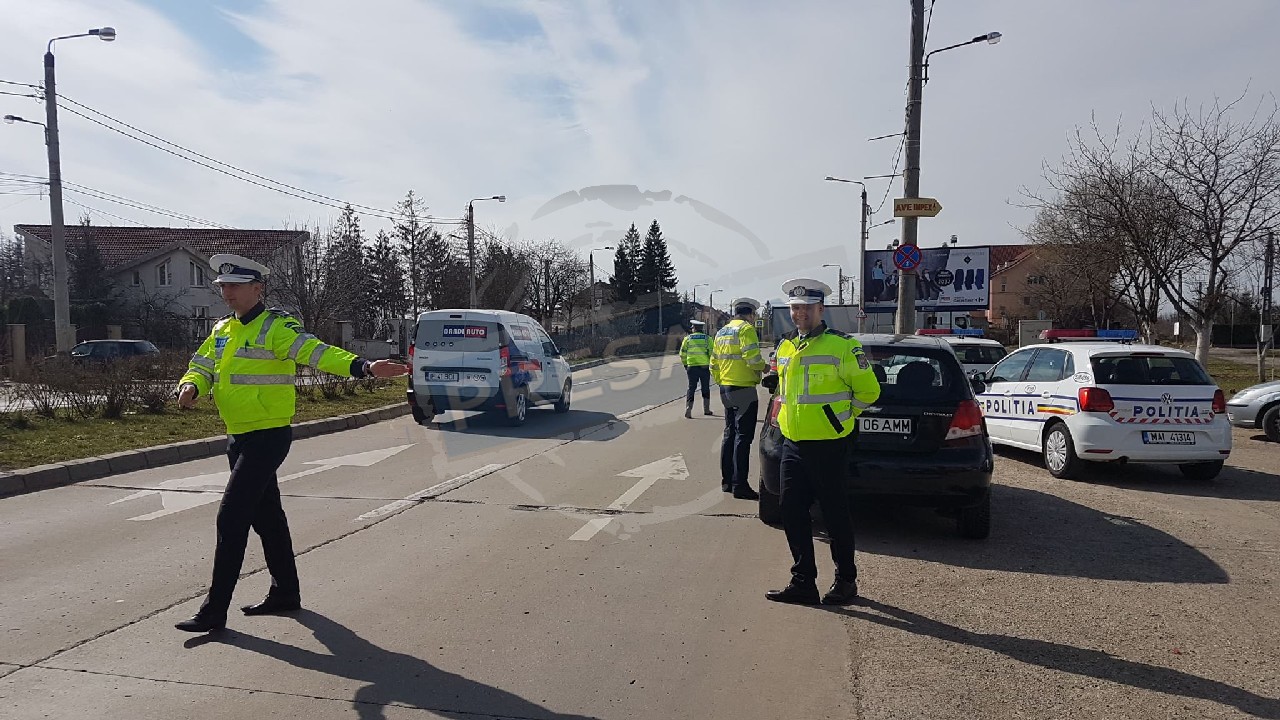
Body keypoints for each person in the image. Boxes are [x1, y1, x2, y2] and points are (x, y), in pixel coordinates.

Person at [172, 254, 410, 633]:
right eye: (223, 287)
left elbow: (316, 352)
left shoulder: (276, 327)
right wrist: (191, 385)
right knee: (268, 519)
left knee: (231, 517)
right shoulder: (222, 330)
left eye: (234, 286)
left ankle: (214, 610)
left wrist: (363, 367)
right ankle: (286, 593)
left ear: (257, 288)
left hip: (268, 435)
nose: (227, 293)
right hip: (238, 434)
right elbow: (202, 365)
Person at [762, 278, 880, 606]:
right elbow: (786, 391)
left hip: (829, 445)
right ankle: (803, 582)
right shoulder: (786, 346)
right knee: (791, 511)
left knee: (834, 514)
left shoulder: (843, 346)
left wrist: (841, 420)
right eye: (795, 308)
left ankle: (845, 581)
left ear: (820, 309)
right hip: (793, 443)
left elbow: (870, 392)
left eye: (806, 308)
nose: (800, 313)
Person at [709, 297, 766, 500]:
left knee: (729, 434)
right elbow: (752, 359)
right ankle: (740, 485)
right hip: (744, 388)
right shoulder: (746, 330)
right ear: (750, 314)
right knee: (743, 438)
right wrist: (765, 368)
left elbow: (713, 363)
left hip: (725, 388)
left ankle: (727, 482)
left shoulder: (721, 332)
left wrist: (722, 381)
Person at [679, 319, 713, 418]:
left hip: (692, 367)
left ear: (694, 328)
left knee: (691, 388)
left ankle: (688, 409)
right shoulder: (708, 339)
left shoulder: (687, 339)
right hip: (705, 367)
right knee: (705, 388)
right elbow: (712, 354)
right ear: (701, 329)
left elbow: (682, 354)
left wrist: (686, 365)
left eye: (692, 327)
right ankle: (706, 409)